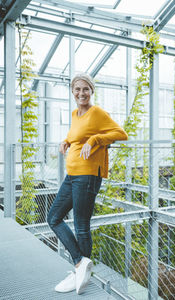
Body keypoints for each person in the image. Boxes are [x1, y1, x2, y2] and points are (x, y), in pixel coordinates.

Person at [47, 73, 128, 295]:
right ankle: (80, 264)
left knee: (81, 225)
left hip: (89, 175)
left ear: (92, 90)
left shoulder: (97, 112)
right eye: (77, 89)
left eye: (85, 89)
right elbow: (77, 135)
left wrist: (95, 140)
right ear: (72, 92)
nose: (81, 93)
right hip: (71, 175)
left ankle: (79, 271)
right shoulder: (75, 113)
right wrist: (67, 141)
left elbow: (121, 134)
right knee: (53, 217)